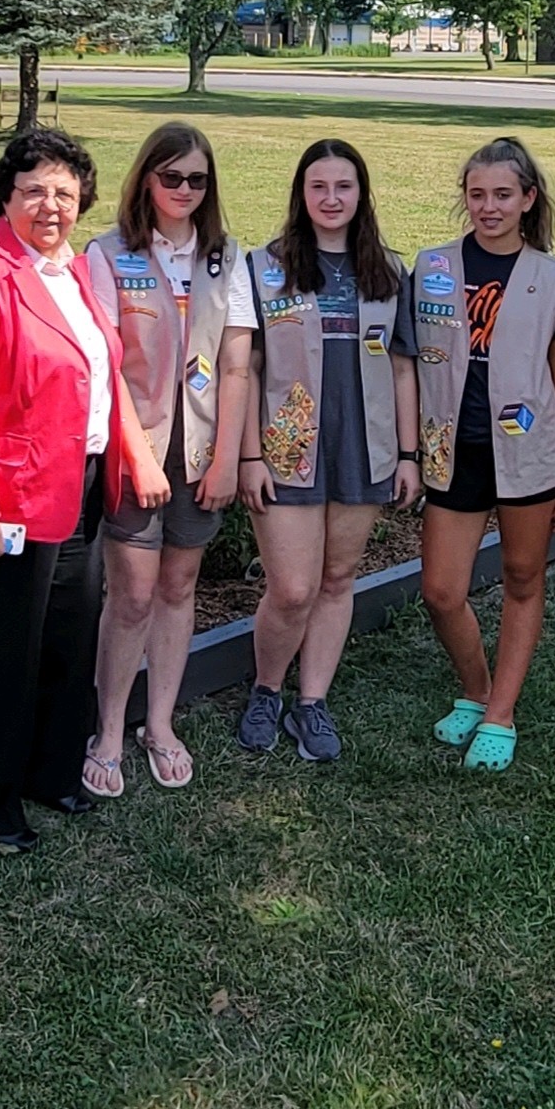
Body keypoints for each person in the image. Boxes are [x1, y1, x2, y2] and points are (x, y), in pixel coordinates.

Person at [0, 129, 170, 850]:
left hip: (73, 486)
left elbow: (97, 373)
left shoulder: (73, 270)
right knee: (4, 651)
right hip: (3, 498)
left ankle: (50, 773)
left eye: (62, 191)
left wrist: (134, 455)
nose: (49, 204)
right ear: (6, 197)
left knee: (66, 637)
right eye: (33, 191)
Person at [82, 122, 256, 792]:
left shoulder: (225, 257)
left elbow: (236, 365)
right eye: (171, 176)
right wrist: (140, 458)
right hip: (138, 453)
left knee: (179, 587)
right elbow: (106, 370)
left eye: (197, 179)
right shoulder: (107, 254)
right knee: (129, 596)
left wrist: (225, 461)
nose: (183, 189)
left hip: (201, 451)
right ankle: (106, 729)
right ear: (145, 179)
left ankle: (159, 724)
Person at [237, 140, 422, 760]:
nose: (332, 199)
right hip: (286, 445)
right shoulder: (265, 267)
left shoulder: (390, 272)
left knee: (338, 578)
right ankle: (267, 688)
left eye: (344, 187)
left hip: (362, 446)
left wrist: (407, 454)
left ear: (361, 194)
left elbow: (402, 368)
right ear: (301, 193)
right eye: (319, 187)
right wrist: (248, 457)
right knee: (292, 588)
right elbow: (249, 366)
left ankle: (311, 701)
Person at [415, 137, 555, 771]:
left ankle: (502, 712)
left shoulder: (550, 275)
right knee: (440, 589)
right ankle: (477, 689)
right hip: (452, 448)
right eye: (477, 194)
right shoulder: (433, 267)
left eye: (502, 195)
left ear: (527, 200)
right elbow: (411, 364)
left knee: (521, 577)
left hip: (529, 453)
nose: (489, 207)